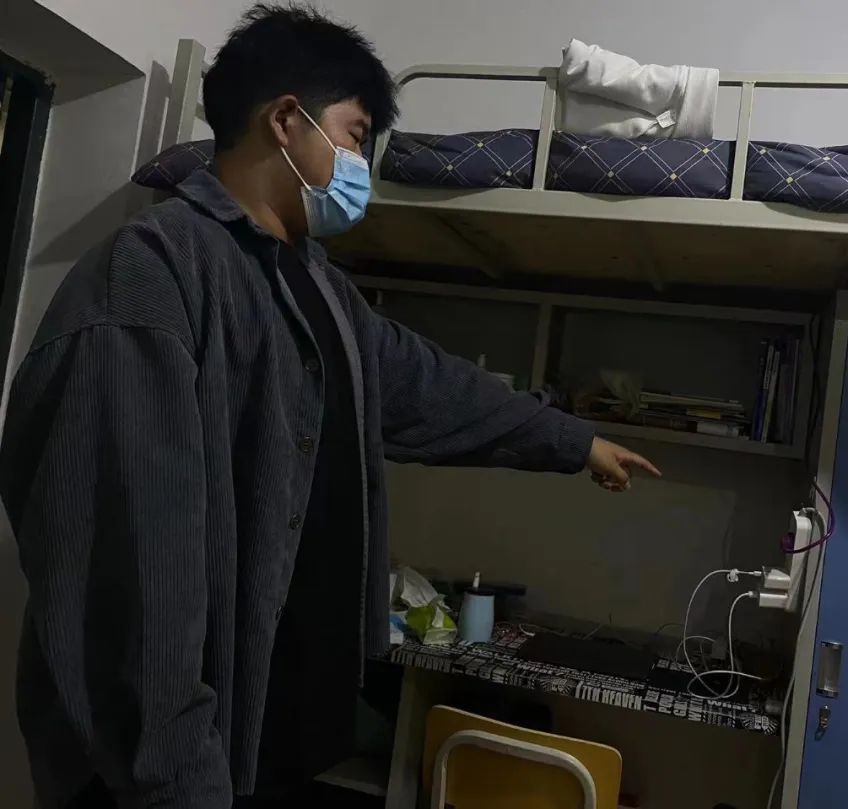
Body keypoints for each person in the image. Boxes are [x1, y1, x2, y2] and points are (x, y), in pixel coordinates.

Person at [0, 4, 659, 808]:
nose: (360, 166)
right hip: (173, 772)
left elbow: (430, 386)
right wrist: (179, 782)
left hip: (272, 735)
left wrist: (572, 440)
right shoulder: (152, 275)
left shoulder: (319, 287)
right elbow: (133, 583)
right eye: (353, 135)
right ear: (286, 121)